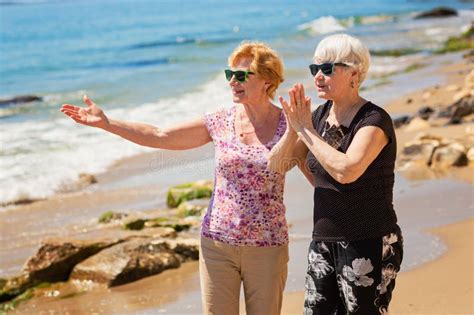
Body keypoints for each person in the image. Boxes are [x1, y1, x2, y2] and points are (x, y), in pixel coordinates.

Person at [60, 41, 288, 315]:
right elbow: (160, 135)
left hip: (267, 246)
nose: (232, 82)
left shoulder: (289, 124)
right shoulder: (219, 121)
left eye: (241, 76)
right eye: (229, 75)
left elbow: (319, 172)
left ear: (267, 80)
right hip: (217, 244)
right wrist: (109, 124)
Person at [268, 33, 403, 314]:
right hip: (323, 241)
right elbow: (278, 164)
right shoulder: (316, 117)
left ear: (354, 72)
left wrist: (304, 130)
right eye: (314, 69)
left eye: (327, 68)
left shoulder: (374, 120)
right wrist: (295, 126)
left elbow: (346, 171)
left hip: (368, 239)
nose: (318, 76)